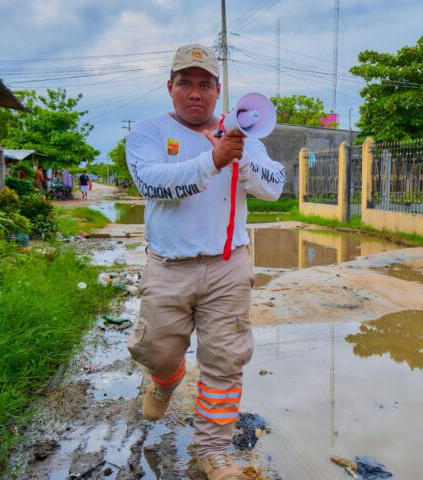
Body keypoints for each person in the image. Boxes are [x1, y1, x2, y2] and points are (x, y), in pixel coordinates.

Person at [125, 44, 284, 480]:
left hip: (228, 265)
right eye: (186, 83)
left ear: (218, 91)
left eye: (205, 84)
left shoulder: (242, 136)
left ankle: (213, 451)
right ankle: (167, 377)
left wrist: (241, 155)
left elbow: (275, 187)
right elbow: (153, 183)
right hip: (168, 265)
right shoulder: (148, 133)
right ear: (170, 87)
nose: (195, 93)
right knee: (155, 350)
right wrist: (212, 158)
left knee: (224, 360)